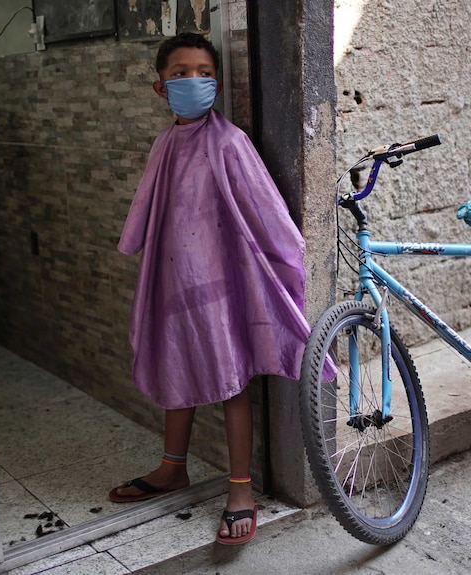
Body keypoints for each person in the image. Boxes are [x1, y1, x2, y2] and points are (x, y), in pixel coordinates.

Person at [109, 32, 311, 546]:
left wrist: (286, 257)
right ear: (161, 88)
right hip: (173, 282)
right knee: (177, 370)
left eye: (203, 71)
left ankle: (240, 489)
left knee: (229, 383)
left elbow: (267, 212)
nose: (193, 80)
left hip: (219, 289)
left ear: (216, 83)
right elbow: (147, 216)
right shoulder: (164, 144)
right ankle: (171, 468)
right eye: (180, 73)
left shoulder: (229, 143)